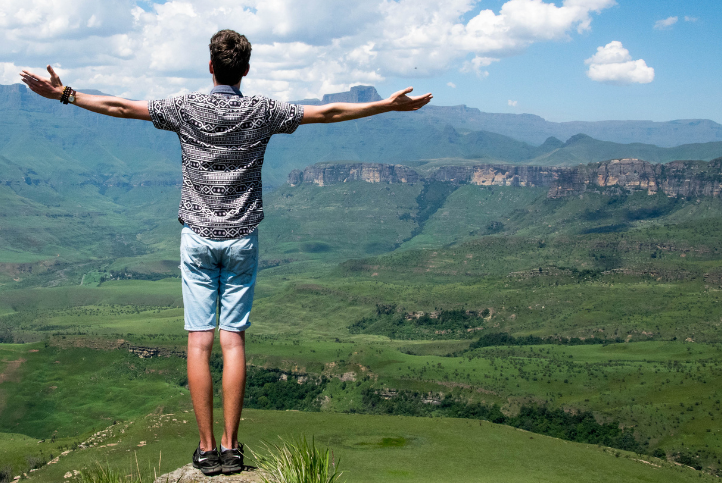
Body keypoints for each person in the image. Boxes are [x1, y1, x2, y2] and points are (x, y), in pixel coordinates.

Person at [21, 29, 432, 476]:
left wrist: (65, 94)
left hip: (196, 238)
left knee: (199, 342)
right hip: (241, 240)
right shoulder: (263, 111)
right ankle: (233, 450)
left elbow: (121, 107)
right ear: (246, 70)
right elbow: (329, 112)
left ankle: (205, 449)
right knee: (232, 340)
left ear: (211, 67)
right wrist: (387, 105)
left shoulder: (185, 107)